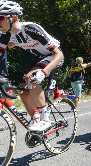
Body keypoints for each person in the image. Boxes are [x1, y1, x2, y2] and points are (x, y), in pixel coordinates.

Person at [0, 1, 64, 131]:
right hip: (37, 59)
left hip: (53, 57)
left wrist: (44, 72)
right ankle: (36, 118)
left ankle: (46, 119)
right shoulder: (6, 35)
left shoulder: (30, 29)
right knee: (23, 92)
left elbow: (59, 55)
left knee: (33, 78)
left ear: (13, 17)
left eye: (0, 18)